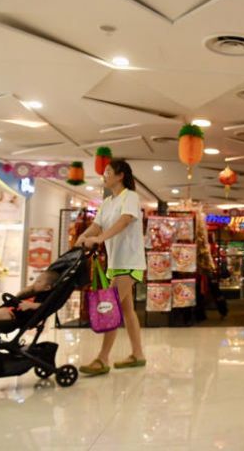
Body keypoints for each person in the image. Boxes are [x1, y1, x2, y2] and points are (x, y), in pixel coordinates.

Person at [76, 159, 147, 376]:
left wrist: (100, 238)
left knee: (111, 306)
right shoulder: (107, 202)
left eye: (107, 172)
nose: (104, 175)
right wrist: (83, 236)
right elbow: (97, 224)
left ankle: (102, 359)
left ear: (120, 175)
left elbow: (125, 221)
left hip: (130, 262)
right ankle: (138, 354)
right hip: (115, 264)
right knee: (126, 310)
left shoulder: (131, 197)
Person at [0, 267, 60, 342]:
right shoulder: (33, 292)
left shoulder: (45, 296)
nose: (35, 283)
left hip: (16, 315)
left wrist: (30, 305)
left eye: (39, 281)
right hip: (11, 309)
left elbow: (44, 306)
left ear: (47, 287)